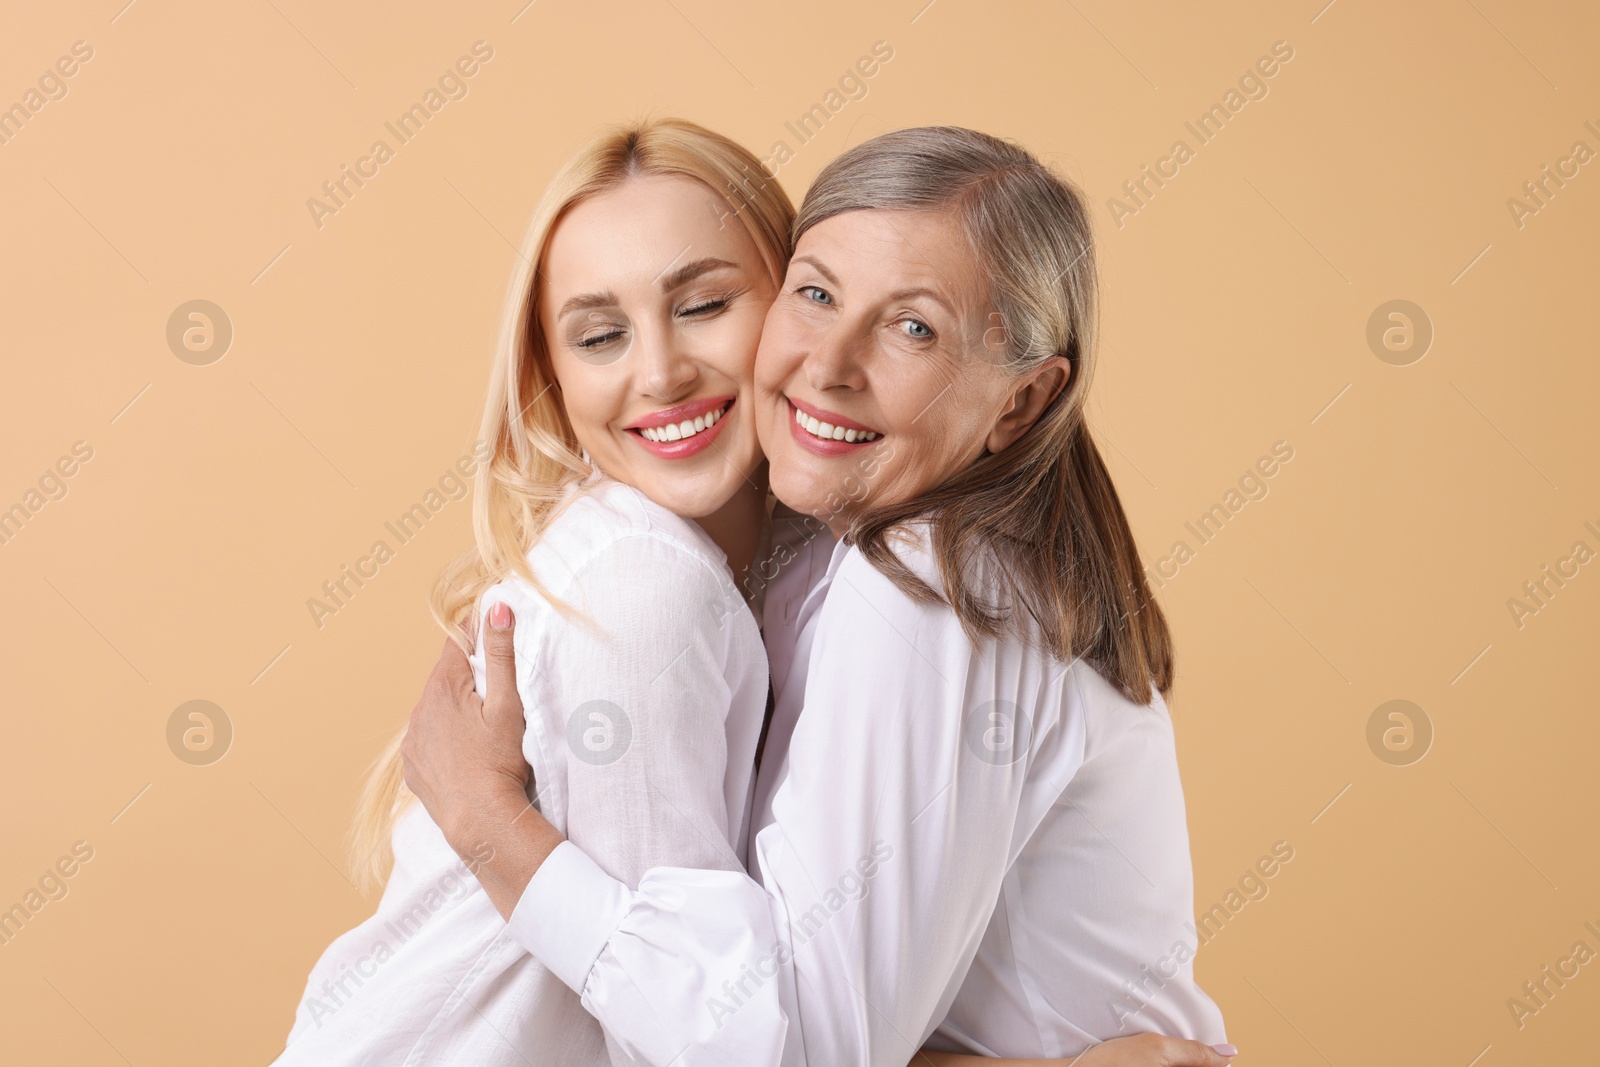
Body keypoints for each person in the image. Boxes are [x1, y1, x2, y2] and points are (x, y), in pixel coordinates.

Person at [402, 126, 1234, 1065]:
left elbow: (804, 1052)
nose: (831, 363)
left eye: (913, 326)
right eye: (819, 294)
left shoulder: (934, 581)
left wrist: (491, 827)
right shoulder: (787, 565)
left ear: (1022, 403)